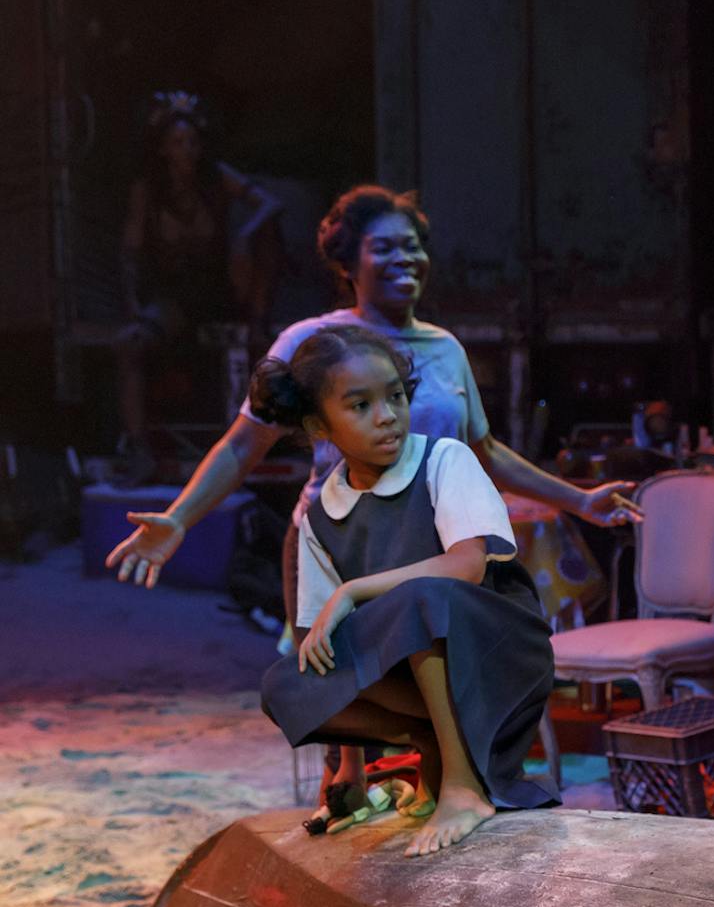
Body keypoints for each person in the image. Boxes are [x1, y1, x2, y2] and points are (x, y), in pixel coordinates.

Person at [105, 184, 635, 826]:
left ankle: (455, 775)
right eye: (383, 247)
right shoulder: (311, 340)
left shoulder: (444, 349)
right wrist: (180, 518)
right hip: (342, 534)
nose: (403, 258)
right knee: (326, 667)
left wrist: (579, 499)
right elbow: (243, 444)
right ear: (347, 262)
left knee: (431, 641)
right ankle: (351, 785)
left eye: (413, 246)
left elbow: (487, 451)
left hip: (435, 541)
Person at [253, 324, 556, 856]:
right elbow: (325, 648)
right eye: (361, 405)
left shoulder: (444, 459)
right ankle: (428, 741)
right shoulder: (320, 517)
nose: (387, 415)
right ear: (319, 425)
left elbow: (466, 566)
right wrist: (350, 769)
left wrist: (353, 590)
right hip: (418, 679)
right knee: (286, 683)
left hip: (498, 659)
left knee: (422, 600)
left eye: (395, 396)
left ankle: (464, 787)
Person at [115, 91, 285, 477]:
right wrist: (133, 307)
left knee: (265, 235)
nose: (187, 151)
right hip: (175, 297)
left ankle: (258, 323)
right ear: (163, 149)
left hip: (222, 289)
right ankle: (138, 446)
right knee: (130, 343)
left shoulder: (215, 178)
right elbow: (130, 252)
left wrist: (243, 234)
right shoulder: (149, 191)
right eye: (177, 143)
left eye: (192, 142)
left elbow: (269, 204)